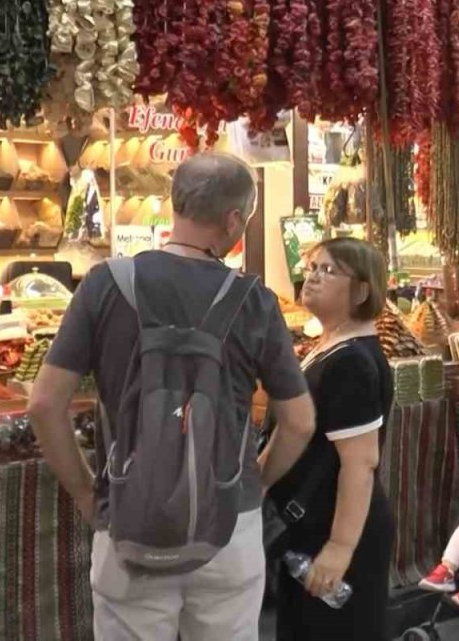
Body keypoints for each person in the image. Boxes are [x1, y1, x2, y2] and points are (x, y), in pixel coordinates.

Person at [28, 152, 317, 640]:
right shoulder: (254, 300)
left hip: (129, 518)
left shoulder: (105, 284)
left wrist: (85, 493)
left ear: (174, 203)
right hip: (229, 522)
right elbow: (300, 421)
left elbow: (42, 405)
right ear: (232, 221)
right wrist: (257, 483)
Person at [267, 238, 396, 640]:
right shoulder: (332, 347)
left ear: (361, 290)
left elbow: (360, 462)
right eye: (314, 267)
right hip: (313, 524)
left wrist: (340, 548)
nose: (314, 277)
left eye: (329, 271)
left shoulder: (353, 362)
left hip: (334, 527)